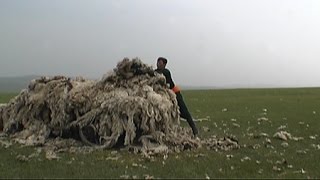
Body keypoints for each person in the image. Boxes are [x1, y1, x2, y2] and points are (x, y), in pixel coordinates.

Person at [155, 57, 198, 137]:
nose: (158, 64)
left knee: (184, 111)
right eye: (157, 62)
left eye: (160, 63)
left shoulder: (165, 72)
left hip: (174, 94)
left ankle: (194, 128)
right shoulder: (156, 72)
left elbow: (162, 79)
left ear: (164, 65)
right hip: (166, 94)